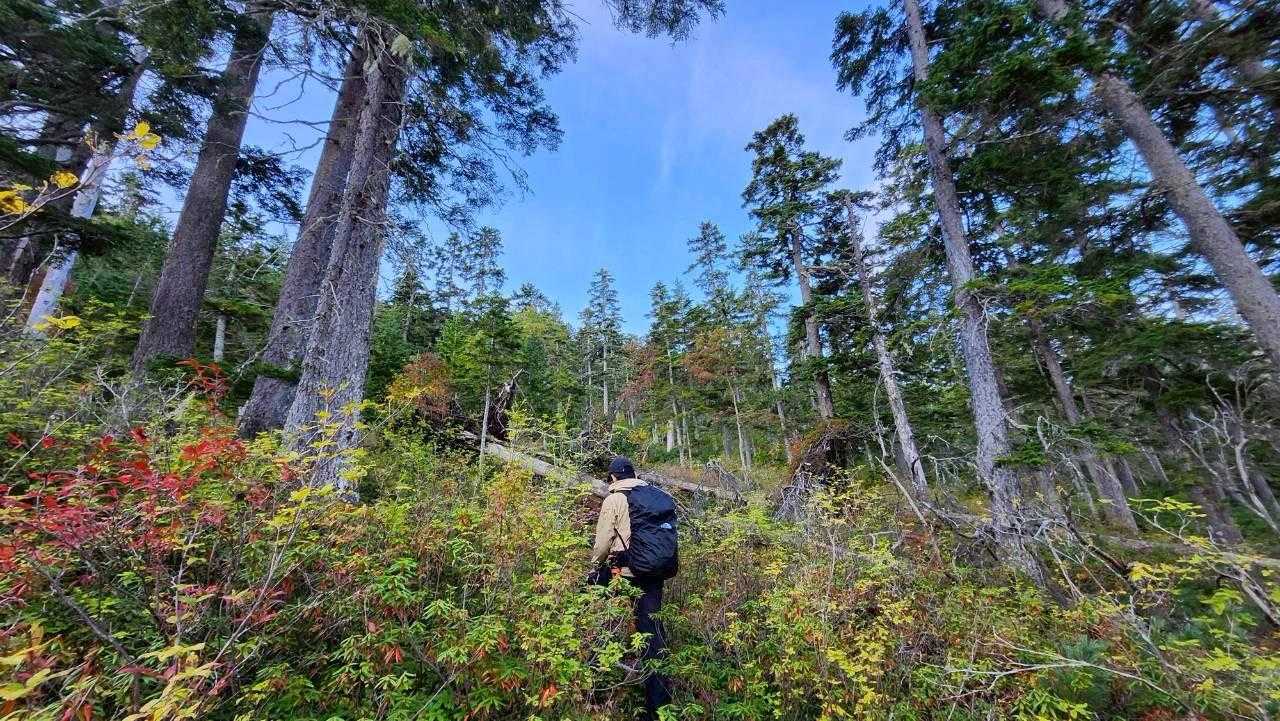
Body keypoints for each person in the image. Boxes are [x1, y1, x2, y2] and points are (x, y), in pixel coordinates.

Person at [591, 455, 673, 719]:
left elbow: (603, 544)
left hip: (625, 573)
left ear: (613, 477)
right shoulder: (656, 496)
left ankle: (596, 684)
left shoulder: (614, 499)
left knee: (603, 620)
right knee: (652, 635)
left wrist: (594, 568)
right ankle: (658, 707)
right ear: (634, 475)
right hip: (653, 573)